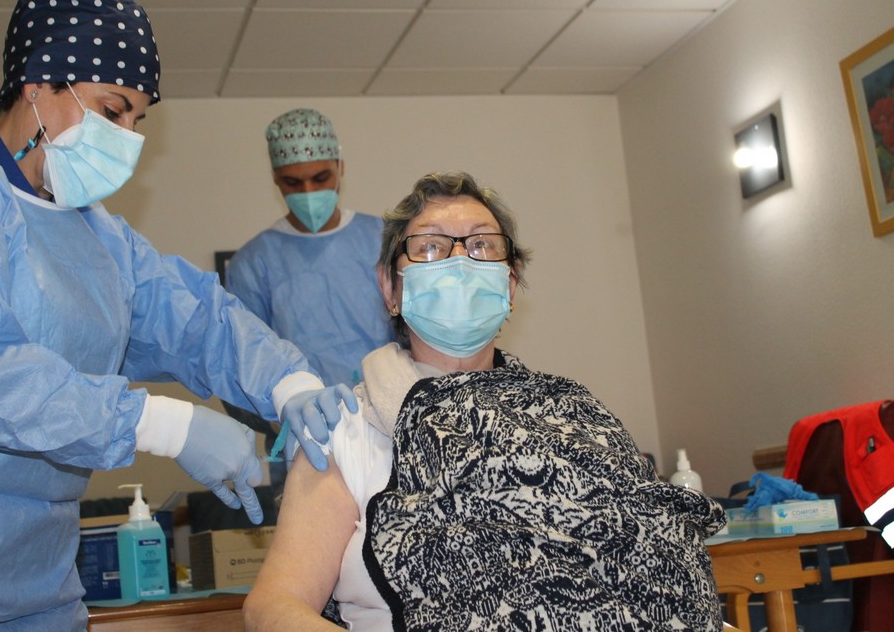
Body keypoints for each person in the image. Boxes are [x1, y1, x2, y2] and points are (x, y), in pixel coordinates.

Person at [0, 0, 353, 631]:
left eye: (139, 120)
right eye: (114, 110)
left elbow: (195, 318)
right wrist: (163, 425)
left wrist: (290, 383)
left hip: (42, 588)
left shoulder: (97, 236)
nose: (128, 139)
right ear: (37, 85)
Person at [244, 171, 727, 631]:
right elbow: (274, 607)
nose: (459, 263)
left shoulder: (578, 416)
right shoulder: (344, 429)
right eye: (430, 246)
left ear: (510, 283)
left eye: (481, 245)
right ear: (390, 288)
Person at [224, 108, 394, 388]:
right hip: (300, 416)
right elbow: (246, 359)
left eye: (320, 178)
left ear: (341, 167)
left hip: (386, 408)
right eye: (293, 182)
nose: (308, 192)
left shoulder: (383, 239)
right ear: (275, 179)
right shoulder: (254, 262)